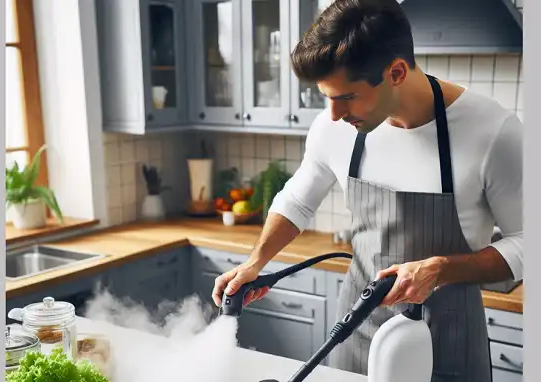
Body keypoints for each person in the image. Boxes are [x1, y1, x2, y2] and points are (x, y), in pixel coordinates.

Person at [211, 0, 523, 380]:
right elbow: (297, 200)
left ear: (395, 72)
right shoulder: (336, 128)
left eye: (346, 97)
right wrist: (254, 263)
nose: (334, 114)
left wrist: (441, 269)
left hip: (449, 344)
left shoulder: (494, 131)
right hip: (355, 339)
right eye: (327, 97)